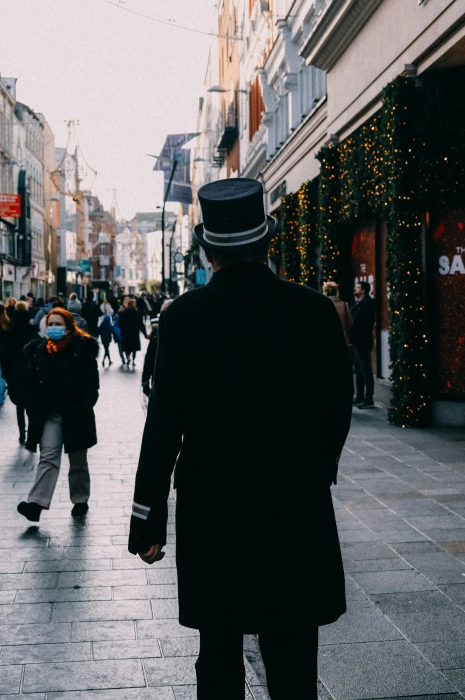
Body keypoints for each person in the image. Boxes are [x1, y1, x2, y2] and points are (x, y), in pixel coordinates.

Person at [128, 178, 353, 700]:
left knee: (220, 649)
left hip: (214, 504)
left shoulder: (183, 318)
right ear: (267, 242)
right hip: (293, 500)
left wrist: (147, 518)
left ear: (208, 251)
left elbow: (162, 424)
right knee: (294, 650)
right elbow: (337, 407)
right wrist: (316, 468)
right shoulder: (312, 311)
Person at [17, 308, 100, 523]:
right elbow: (30, 383)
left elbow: (92, 385)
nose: (53, 328)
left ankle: (80, 499)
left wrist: (82, 405)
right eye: (50, 324)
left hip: (76, 414)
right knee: (48, 457)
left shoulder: (82, 349)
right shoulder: (38, 351)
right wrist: (33, 406)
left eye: (58, 323)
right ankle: (36, 504)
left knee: (78, 461)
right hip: (50, 415)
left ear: (68, 326)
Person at [1, 301, 37, 443]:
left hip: (15, 372)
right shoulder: (31, 329)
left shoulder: (10, 331)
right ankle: (31, 433)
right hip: (29, 371)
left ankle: (22, 433)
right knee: (30, 403)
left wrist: (5, 372)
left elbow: (5, 354)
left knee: (19, 405)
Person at [350, 281, 377, 409]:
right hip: (357, 341)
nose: (355, 289)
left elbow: (363, 323)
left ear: (364, 290)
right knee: (359, 369)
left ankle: (368, 398)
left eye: (358, 287)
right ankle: (360, 396)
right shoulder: (359, 304)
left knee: (365, 369)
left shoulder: (367, 303)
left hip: (363, 340)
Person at [322, 281, 353, 345]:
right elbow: (350, 323)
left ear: (325, 292)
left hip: (325, 338)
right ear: (336, 291)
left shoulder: (321, 305)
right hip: (342, 339)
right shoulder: (344, 305)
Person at [118, 298, 146, 367]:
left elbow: (119, 323)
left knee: (127, 348)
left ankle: (128, 358)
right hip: (134, 333)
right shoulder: (137, 313)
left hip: (126, 333)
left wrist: (123, 329)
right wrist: (145, 334)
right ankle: (133, 360)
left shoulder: (123, 314)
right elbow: (141, 325)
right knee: (134, 348)